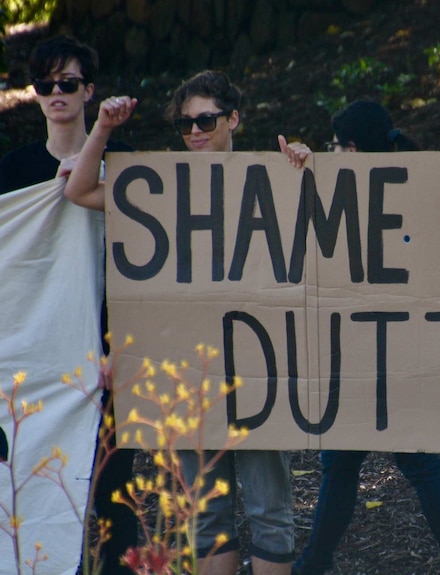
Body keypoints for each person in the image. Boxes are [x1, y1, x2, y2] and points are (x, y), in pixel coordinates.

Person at [67, 69, 297, 575]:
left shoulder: (270, 176)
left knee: (269, 511)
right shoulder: (161, 188)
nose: (195, 131)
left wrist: (300, 162)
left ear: (233, 119)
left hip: (259, 375)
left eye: (206, 120)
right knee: (207, 514)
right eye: (185, 124)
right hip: (193, 375)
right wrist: (101, 131)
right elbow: (81, 191)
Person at [280, 100, 440, 575]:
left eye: (333, 146)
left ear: (350, 149)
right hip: (383, 351)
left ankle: (315, 564)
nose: (328, 154)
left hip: (380, 354)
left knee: (388, 465)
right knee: (359, 464)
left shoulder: (387, 196)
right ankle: (317, 563)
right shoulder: (412, 186)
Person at [0, 34, 138, 575]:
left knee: (113, 492)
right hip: (35, 359)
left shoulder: (125, 166)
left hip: (108, 350)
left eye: (68, 83)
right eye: (45, 84)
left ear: (89, 91)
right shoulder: (12, 174)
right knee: (39, 485)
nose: (56, 92)